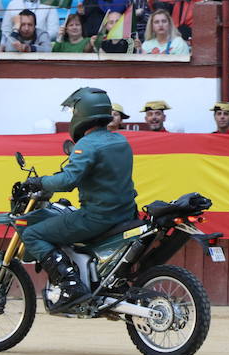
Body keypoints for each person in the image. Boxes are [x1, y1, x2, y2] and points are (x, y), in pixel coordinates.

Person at [17, 87, 138, 309]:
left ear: (82, 113)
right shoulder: (120, 141)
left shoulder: (88, 143)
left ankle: (71, 286)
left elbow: (69, 180)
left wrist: (40, 182)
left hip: (97, 217)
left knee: (33, 233)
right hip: (125, 213)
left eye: (74, 111)